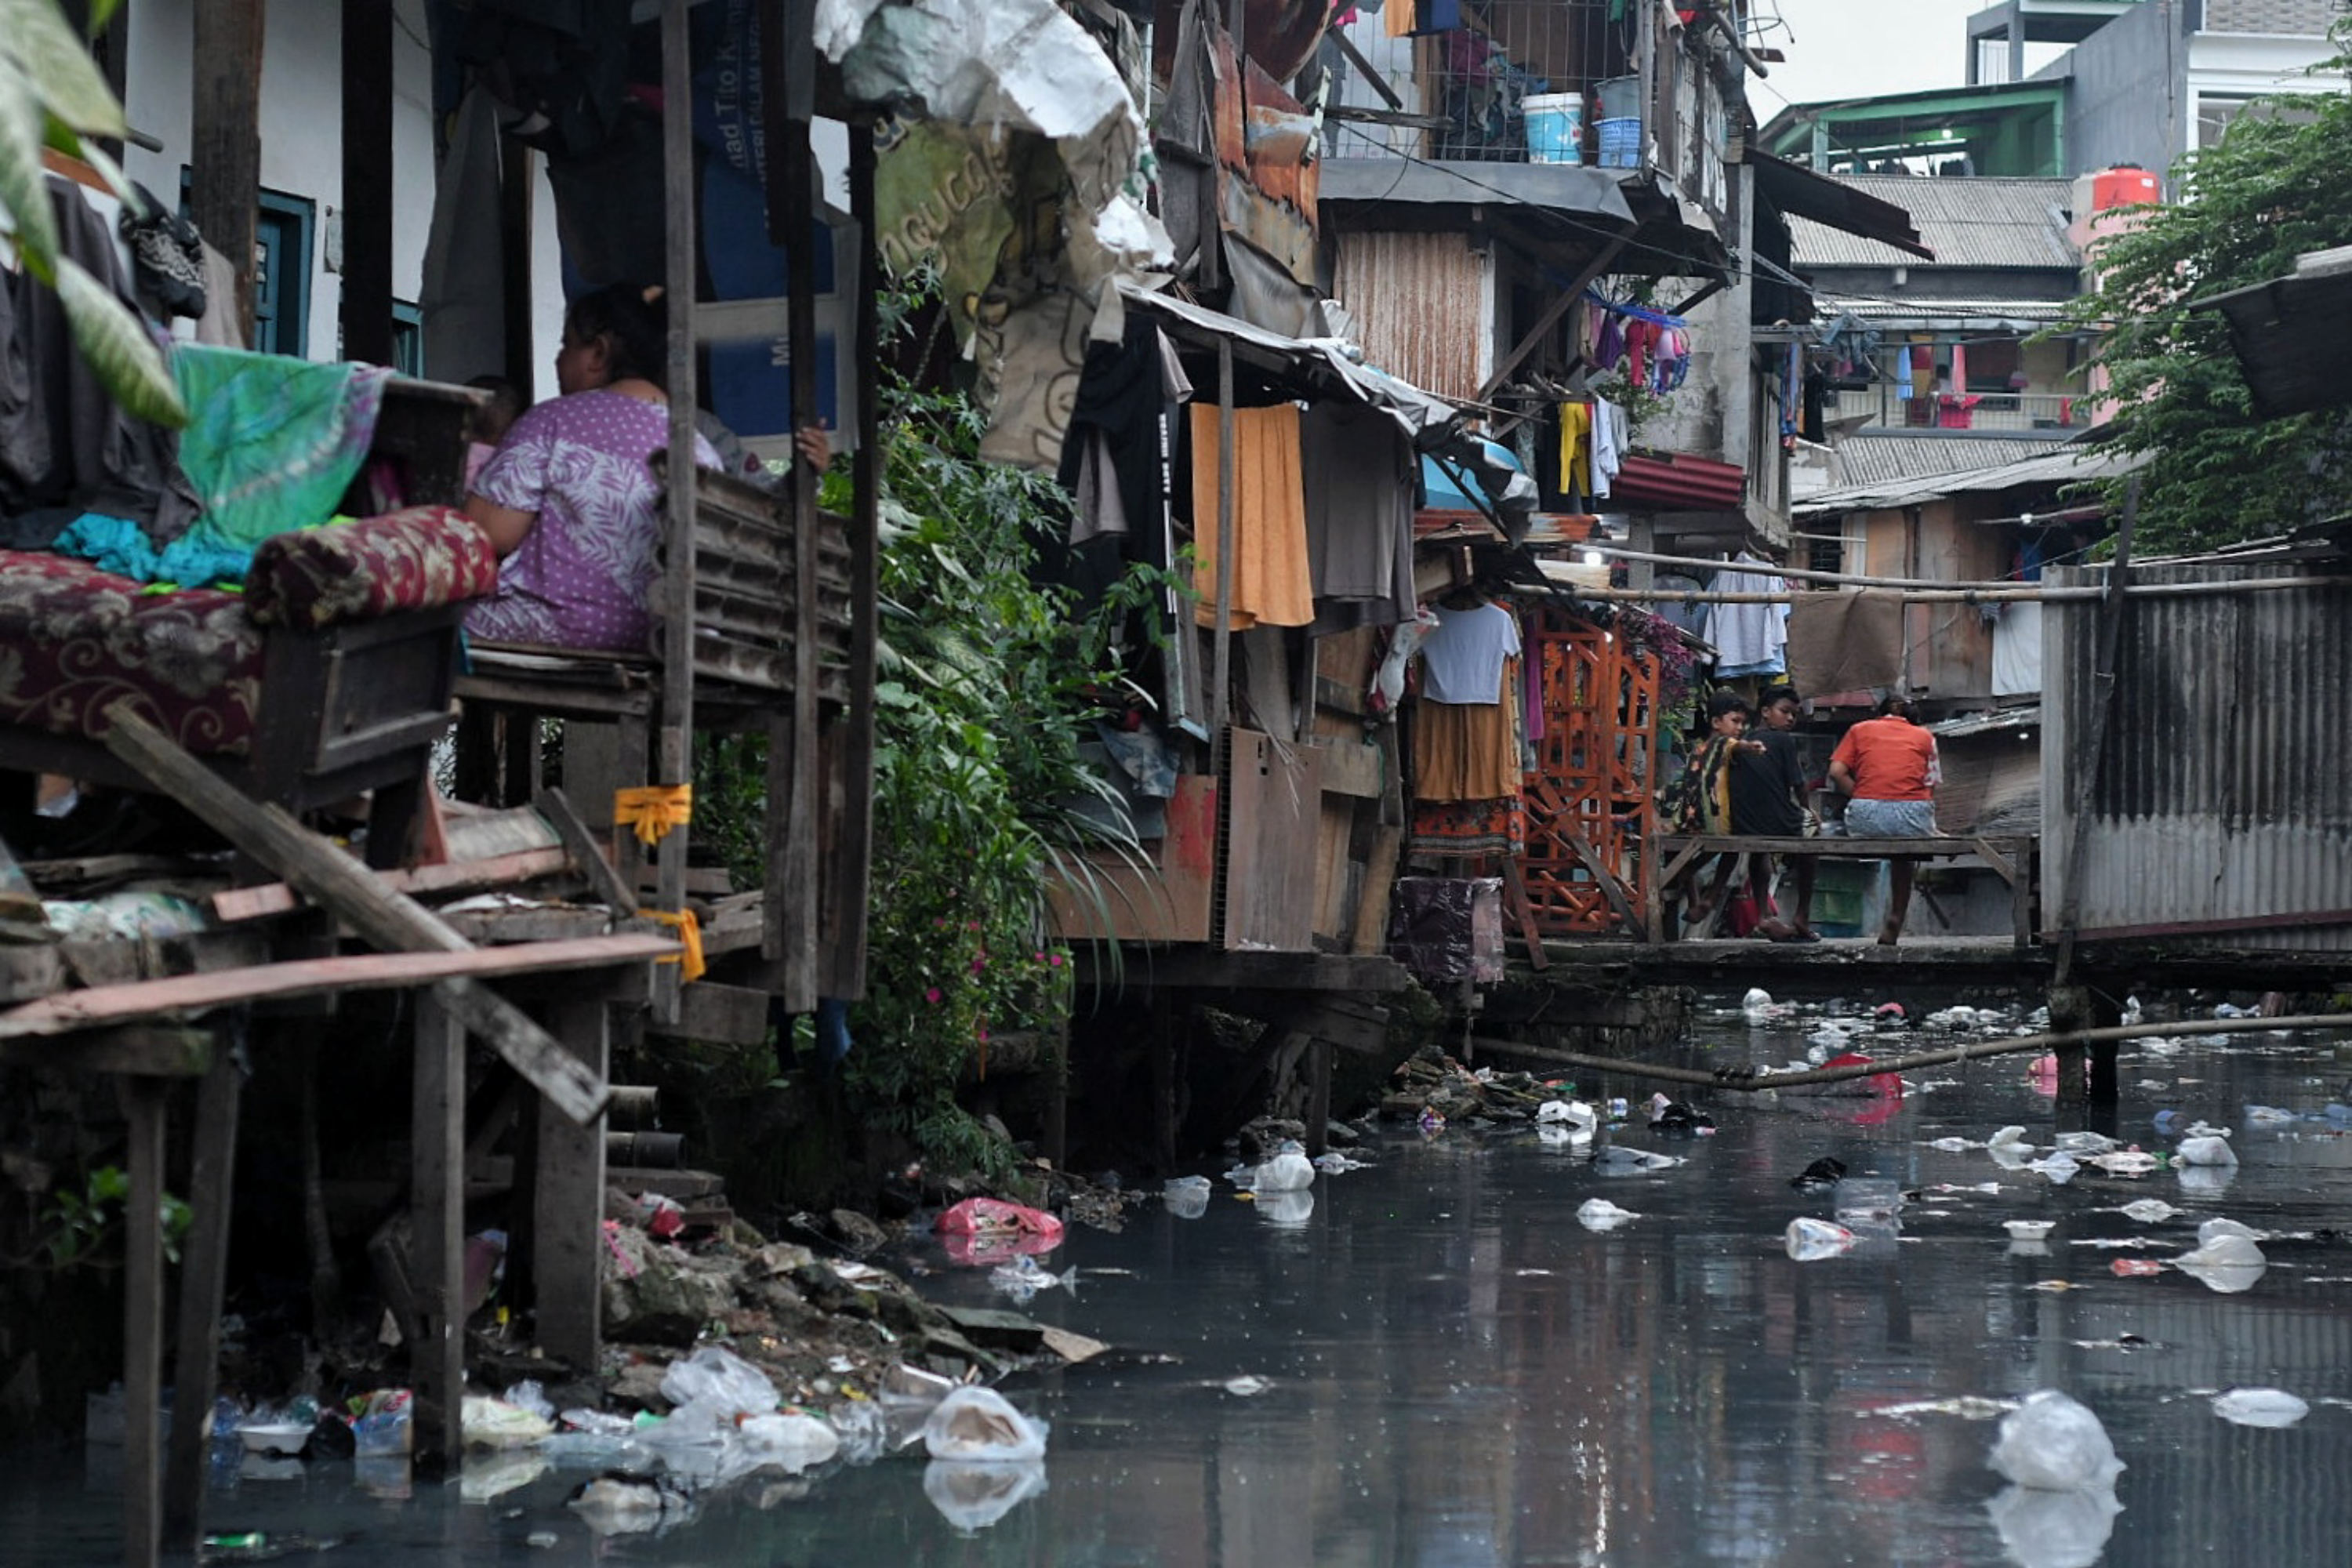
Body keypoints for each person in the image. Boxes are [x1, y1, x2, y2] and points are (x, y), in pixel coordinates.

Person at [463, 282, 724, 652]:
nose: (558, 359)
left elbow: (487, 533)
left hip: (556, 628)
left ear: (598, 353)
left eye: (567, 344)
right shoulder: (699, 447)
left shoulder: (554, 421)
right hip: (657, 641)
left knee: (421, 622)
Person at [1828, 694, 1940, 946]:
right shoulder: (1925, 736)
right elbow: (1931, 784)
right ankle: (1896, 917)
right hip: (1911, 817)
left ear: (1881, 712)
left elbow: (1836, 772)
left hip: (1867, 815)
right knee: (1905, 852)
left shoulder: (1859, 729)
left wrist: (1861, 794)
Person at [1662, 691, 1766, 927]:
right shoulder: (1721, 743)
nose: (1740, 727)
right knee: (1733, 849)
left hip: (1688, 818)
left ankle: (1694, 901)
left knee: (1689, 862)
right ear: (1716, 723)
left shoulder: (1698, 749)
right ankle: (1710, 897)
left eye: (1743, 723)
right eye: (1735, 721)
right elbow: (1737, 745)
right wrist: (1753, 747)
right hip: (1714, 821)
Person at [1731, 684, 1817, 941]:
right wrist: (1809, 811)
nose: (1790, 718)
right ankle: (1802, 913)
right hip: (1775, 818)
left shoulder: (1741, 741)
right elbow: (1799, 785)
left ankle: (1763, 914)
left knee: (1760, 851)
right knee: (1813, 838)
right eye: (1785, 712)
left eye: (1794, 714)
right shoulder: (1783, 740)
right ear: (1766, 712)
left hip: (1745, 820)